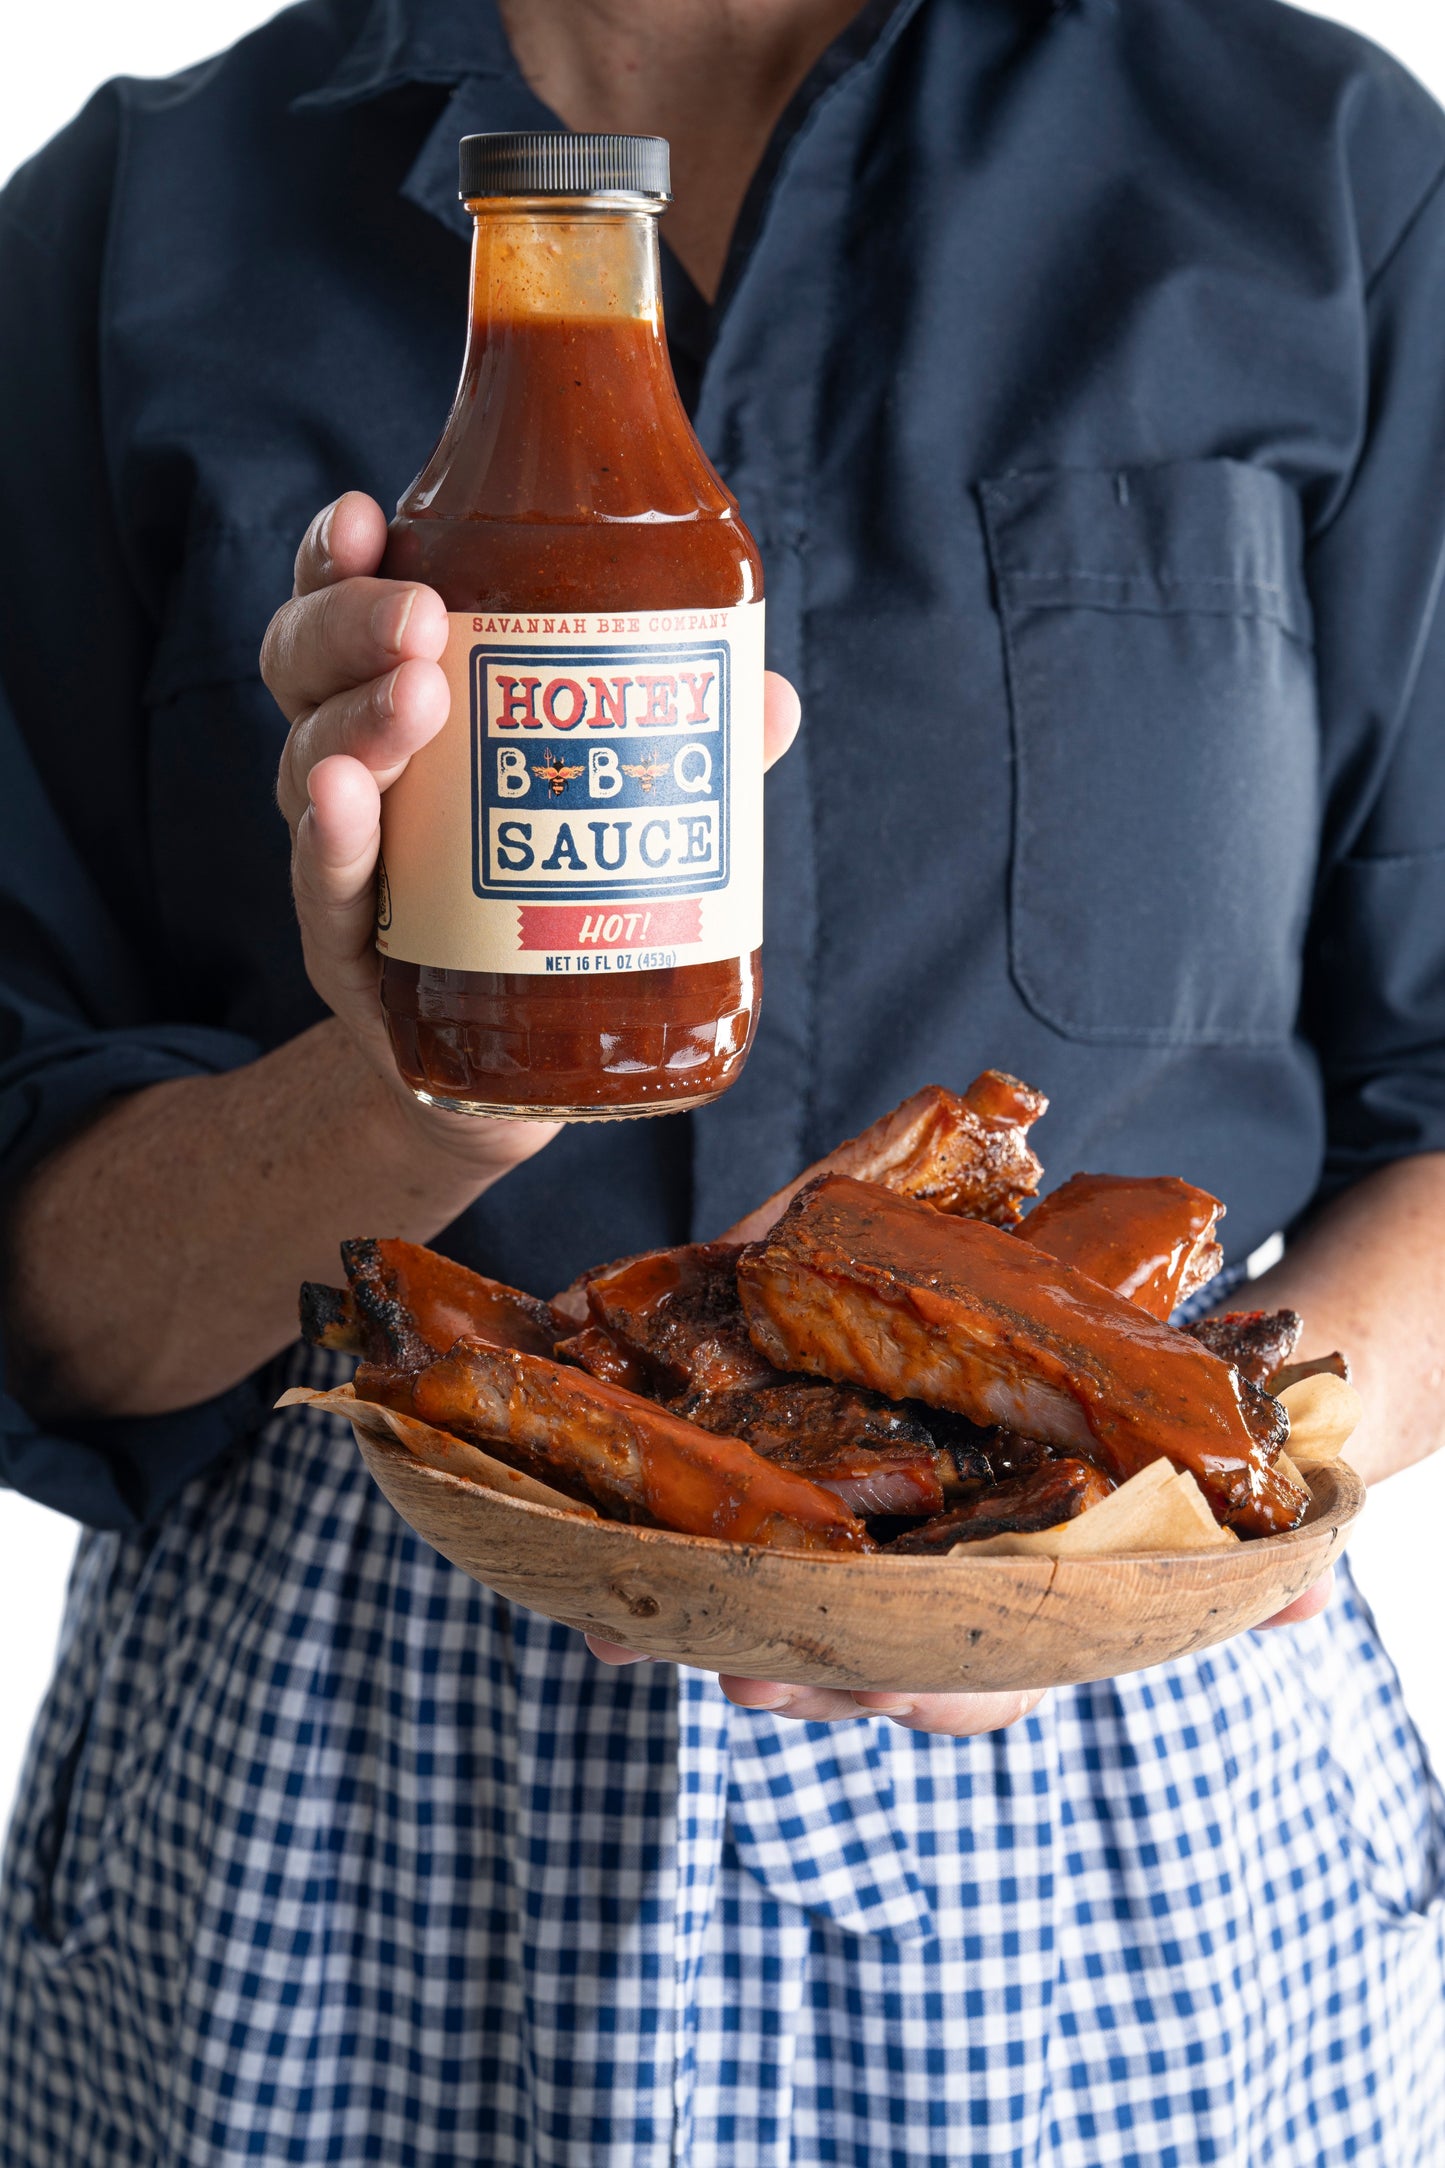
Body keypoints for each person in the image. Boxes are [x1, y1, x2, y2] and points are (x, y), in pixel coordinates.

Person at [1, 0, 1443, 2158]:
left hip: (1124, 1788)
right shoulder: (134, 231)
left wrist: (1123, 1536)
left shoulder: (1320, 174)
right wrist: (413, 1089)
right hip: (349, 1775)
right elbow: (36, 1299)